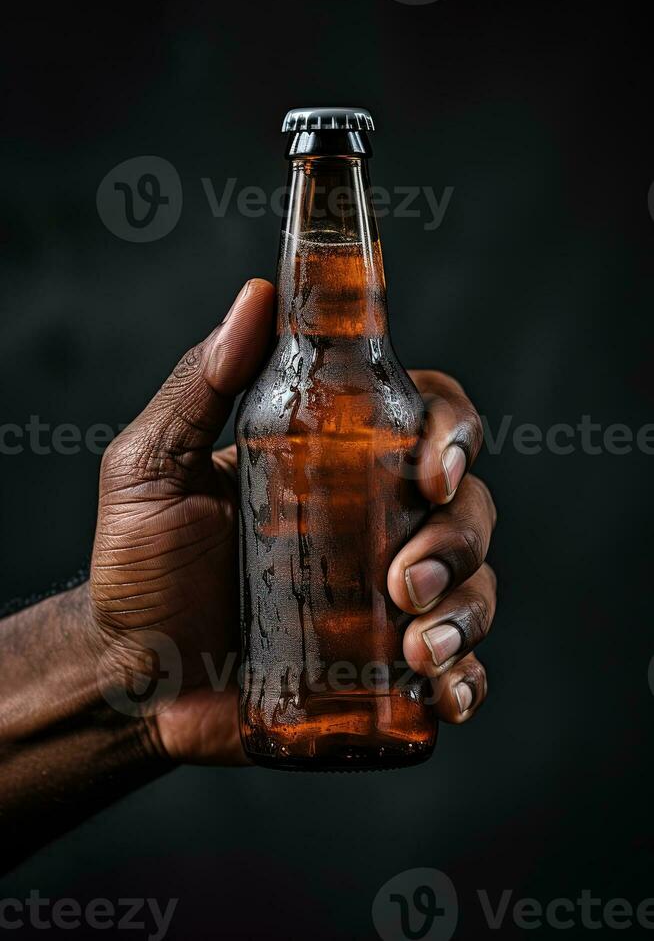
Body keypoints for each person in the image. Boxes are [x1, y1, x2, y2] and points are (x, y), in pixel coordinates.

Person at [0, 277, 497, 871]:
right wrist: (121, 656)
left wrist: (122, 667)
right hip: (257, 701)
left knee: (428, 551)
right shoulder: (281, 389)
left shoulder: (379, 383)